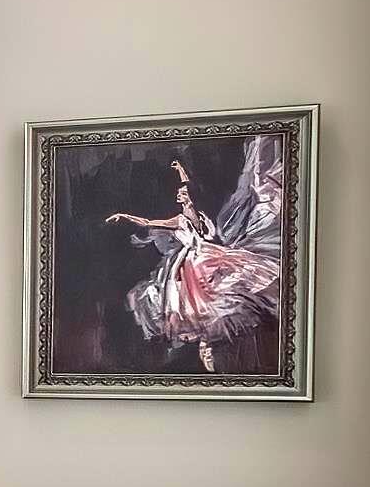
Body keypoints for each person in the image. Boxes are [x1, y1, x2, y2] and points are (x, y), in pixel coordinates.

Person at [105, 147, 285, 373]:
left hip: (204, 259)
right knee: (193, 307)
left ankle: (212, 342)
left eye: (182, 195)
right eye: (179, 195)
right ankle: (206, 343)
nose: (179, 196)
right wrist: (124, 216)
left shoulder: (196, 215)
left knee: (221, 296)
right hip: (189, 265)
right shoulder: (179, 220)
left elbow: (187, 186)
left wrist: (181, 170)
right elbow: (149, 222)